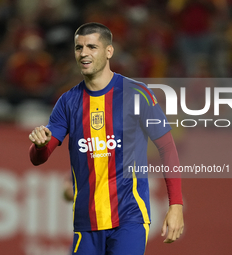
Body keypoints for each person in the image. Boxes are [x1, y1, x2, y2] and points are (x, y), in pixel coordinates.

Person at [28, 22, 184, 255]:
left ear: (109, 51)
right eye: (79, 48)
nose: (84, 53)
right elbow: (39, 157)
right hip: (86, 224)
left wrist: (176, 206)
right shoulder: (67, 102)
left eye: (92, 47)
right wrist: (39, 145)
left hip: (129, 219)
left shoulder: (137, 94)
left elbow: (167, 149)